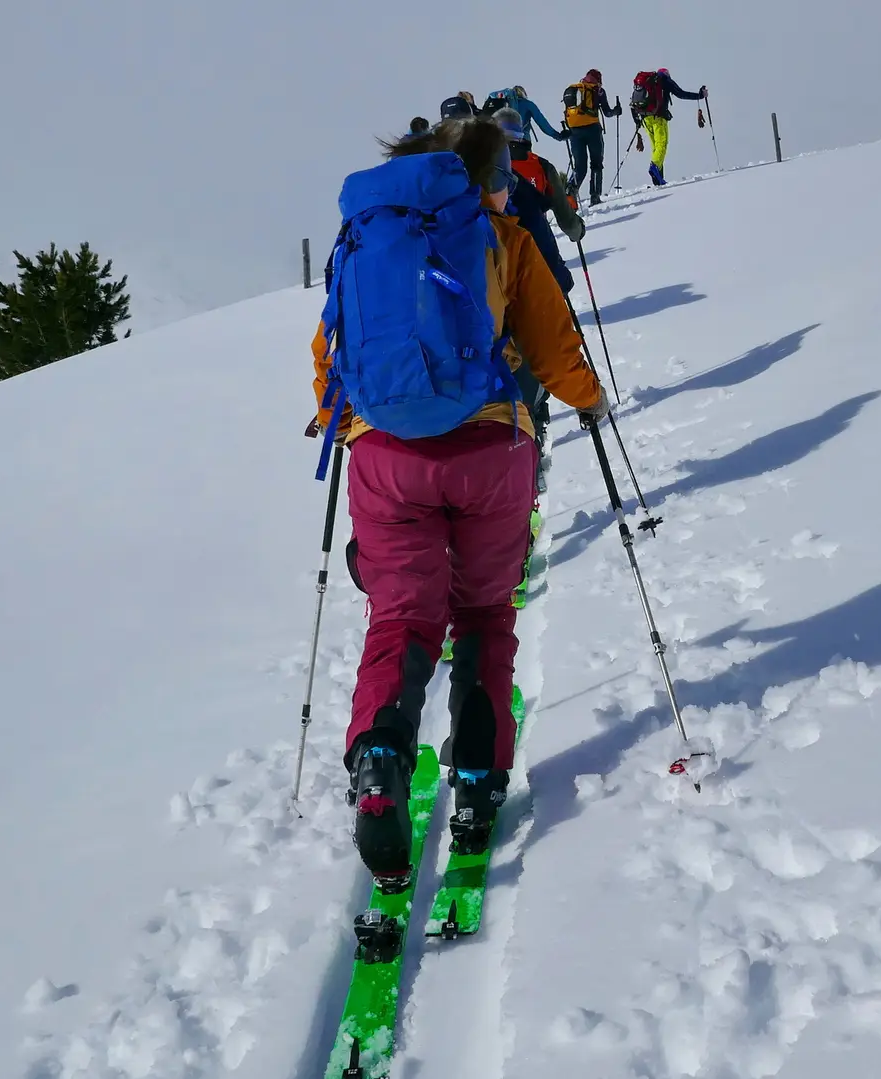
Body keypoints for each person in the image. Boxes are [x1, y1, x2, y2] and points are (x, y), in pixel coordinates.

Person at [311, 117, 609, 884]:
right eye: (504, 178)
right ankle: (477, 775)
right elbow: (550, 342)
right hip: (488, 449)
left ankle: (381, 760)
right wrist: (590, 400)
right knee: (483, 613)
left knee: (402, 616)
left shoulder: (367, 236)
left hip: (384, 455)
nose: (510, 188)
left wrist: (345, 425)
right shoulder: (499, 238)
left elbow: (331, 351)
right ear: (482, 181)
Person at [488, 107, 585, 451]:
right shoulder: (540, 167)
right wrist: (576, 230)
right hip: (543, 273)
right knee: (542, 353)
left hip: (495, 287)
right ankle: (535, 424)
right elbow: (564, 218)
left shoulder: (479, 171)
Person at [629, 68, 706, 186]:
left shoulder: (645, 83)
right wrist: (699, 96)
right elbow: (681, 94)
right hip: (658, 118)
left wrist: (637, 122)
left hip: (645, 119)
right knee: (662, 145)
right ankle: (654, 167)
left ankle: (658, 179)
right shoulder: (664, 81)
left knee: (656, 147)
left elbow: (633, 104)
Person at [561, 69, 623, 204]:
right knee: (596, 164)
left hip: (574, 132)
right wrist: (616, 111)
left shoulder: (576, 89)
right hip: (593, 130)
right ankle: (595, 196)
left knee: (579, 167)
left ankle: (570, 194)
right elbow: (607, 112)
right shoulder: (598, 91)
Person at [484, 85, 566, 142]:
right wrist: (558, 136)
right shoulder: (528, 104)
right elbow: (542, 123)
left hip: (501, 140)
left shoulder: (502, 104)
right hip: (522, 141)